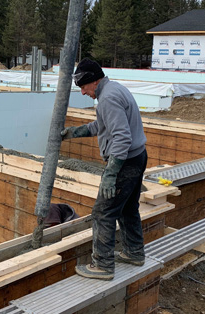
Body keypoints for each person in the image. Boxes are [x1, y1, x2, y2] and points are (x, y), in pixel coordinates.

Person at [61, 58, 147, 280]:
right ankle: (134, 252)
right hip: (137, 157)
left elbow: (121, 137)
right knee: (128, 209)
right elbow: (102, 125)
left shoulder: (107, 98)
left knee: (103, 212)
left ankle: (103, 265)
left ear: (94, 81)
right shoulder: (114, 89)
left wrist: (111, 173)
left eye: (83, 87)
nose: (82, 93)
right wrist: (75, 132)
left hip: (125, 162)